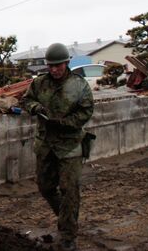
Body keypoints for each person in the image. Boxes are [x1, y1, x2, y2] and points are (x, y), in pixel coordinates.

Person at [21, 43, 94, 251]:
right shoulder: (40, 83)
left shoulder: (79, 85)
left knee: (69, 190)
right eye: (50, 66)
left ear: (67, 63)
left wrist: (65, 122)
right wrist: (35, 107)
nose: (54, 70)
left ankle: (68, 235)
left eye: (58, 66)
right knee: (45, 187)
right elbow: (26, 100)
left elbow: (86, 111)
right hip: (45, 144)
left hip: (70, 145)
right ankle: (66, 217)